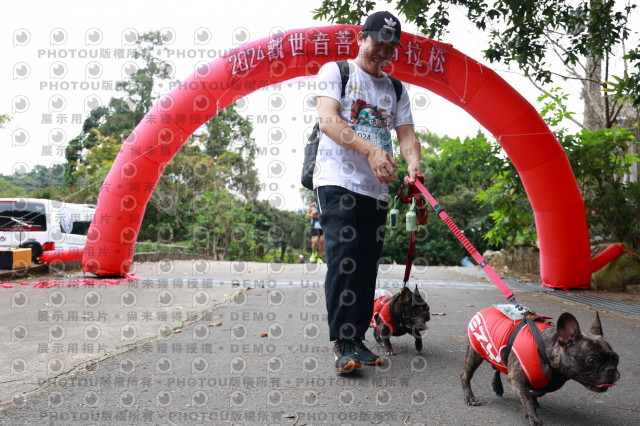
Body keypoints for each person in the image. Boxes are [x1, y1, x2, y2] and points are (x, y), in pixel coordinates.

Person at [312, 10, 423, 373]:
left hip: (375, 190)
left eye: (391, 47)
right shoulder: (336, 72)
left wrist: (413, 165)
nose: (384, 52)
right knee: (345, 258)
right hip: (336, 180)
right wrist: (371, 151)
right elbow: (328, 120)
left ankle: (356, 339)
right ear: (361, 38)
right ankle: (343, 344)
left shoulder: (396, 89)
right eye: (379, 43)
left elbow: (407, 135)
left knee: (365, 265)